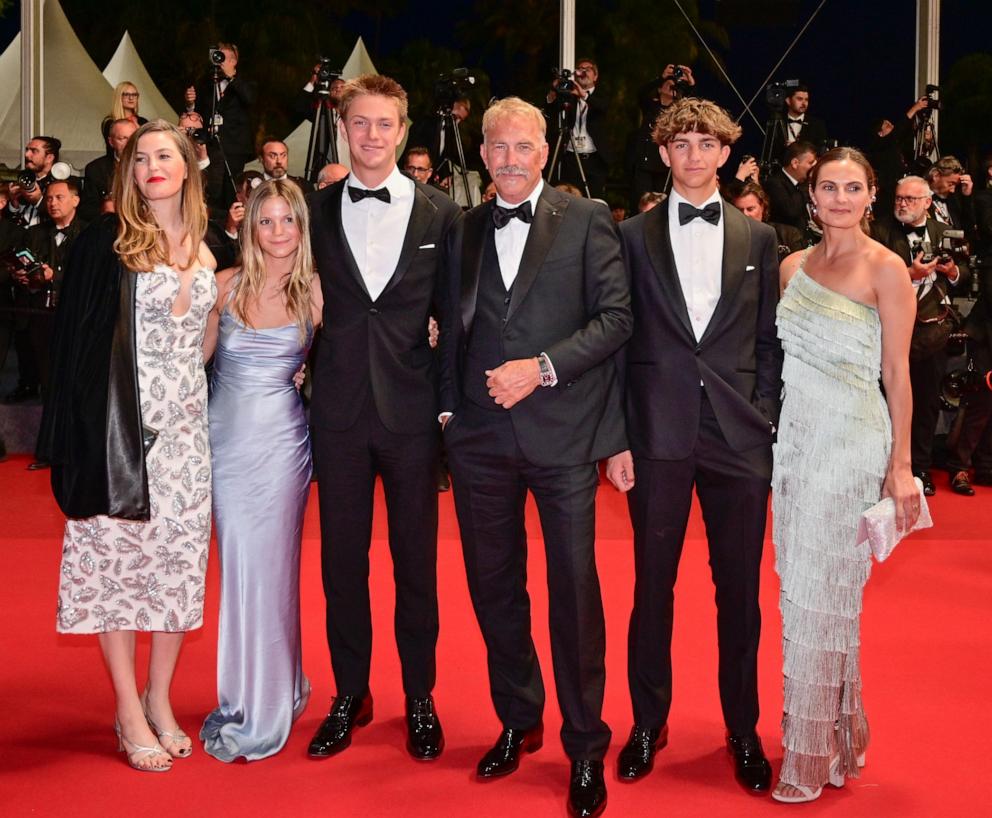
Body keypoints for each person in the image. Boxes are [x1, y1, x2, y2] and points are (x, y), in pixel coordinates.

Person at [439, 96, 631, 818]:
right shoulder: (462, 228)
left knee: (574, 592)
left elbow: (616, 319)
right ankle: (519, 719)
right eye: (498, 148)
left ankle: (585, 744)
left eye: (524, 147)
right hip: (480, 442)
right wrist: (450, 412)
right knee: (494, 587)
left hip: (564, 437)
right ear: (482, 155)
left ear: (544, 152)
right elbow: (449, 327)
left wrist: (542, 367)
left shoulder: (586, 219)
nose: (511, 159)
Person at [606, 97, 781, 795]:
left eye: (707, 143)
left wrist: (763, 415)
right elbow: (618, 340)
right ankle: (649, 723)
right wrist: (615, 436)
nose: (694, 155)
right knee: (653, 586)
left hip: (739, 437)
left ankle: (743, 728)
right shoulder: (631, 236)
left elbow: (768, 341)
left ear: (726, 153)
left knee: (739, 592)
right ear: (664, 152)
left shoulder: (760, 239)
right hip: (655, 432)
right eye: (682, 143)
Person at [38, 119, 217, 772]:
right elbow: (74, 352)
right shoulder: (104, 245)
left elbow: (205, 346)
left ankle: (159, 697)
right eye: (140, 158)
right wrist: (84, 434)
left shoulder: (206, 247)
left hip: (187, 444)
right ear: (128, 173)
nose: (151, 166)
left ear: (188, 166)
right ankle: (126, 707)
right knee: (116, 573)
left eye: (164, 155)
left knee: (176, 571)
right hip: (120, 436)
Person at [306, 74, 461, 762]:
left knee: (414, 565)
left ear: (403, 132)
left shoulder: (440, 214)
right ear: (344, 128)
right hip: (336, 412)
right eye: (360, 124)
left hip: (412, 415)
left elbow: (458, 318)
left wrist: (453, 410)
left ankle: (419, 696)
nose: (372, 136)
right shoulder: (311, 210)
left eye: (384, 125)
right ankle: (350, 692)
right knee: (341, 563)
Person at [771, 147, 918, 803]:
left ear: (871, 196)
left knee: (821, 595)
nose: (838, 197)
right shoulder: (790, 268)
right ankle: (836, 736)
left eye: (851, 187)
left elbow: (897, 374)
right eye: (827, 186)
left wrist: (903, 466)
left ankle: (805, 758)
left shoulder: (887, 270)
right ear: (811, 195)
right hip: (796, 448)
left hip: (853, 444)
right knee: (803, 596)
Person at [200, 179, 322, 761]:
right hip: (222, 444)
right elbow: (187, 361)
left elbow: (359, 351)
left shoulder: (318, 295)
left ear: (302, 225)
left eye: (287, 221)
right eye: (265, 222)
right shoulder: (223, 288)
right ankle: (277, 685)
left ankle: (264, 706)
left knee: (273, 573)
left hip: (281, 446)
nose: (277, 233)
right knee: (240, 572)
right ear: (250, 228)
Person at [872, 175, 968, 496]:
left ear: (928, 203)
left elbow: (965, 274)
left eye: (910, 199)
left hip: (932, 332)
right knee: (885, 403)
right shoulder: (880, 232)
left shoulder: (944, 232)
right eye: (899, 198)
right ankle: (885, 468)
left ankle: (920, 469)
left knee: (926, 403)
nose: (902, 203)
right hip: (888, 331)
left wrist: (952, 272)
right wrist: (908, 276)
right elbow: (870, 276)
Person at [730, 180, 806, 261]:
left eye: (750, 209)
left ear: (762, 207)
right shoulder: (728, 239)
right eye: (739, 210)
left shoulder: (789, 235)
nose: (745, 214)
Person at [81, 119, 139, 221]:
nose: (129, 143)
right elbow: (87, 209)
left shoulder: (148, 164)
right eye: (123, 138)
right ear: (111, 142)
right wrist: (104, 208)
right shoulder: (96, 169)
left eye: (133, 138)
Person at [101, 82, 148, 154]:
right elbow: (112, 151)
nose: (131, 98)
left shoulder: (143, 121)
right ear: (119, 97)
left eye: (134, 95)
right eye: (126, 94)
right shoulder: (109, 122)